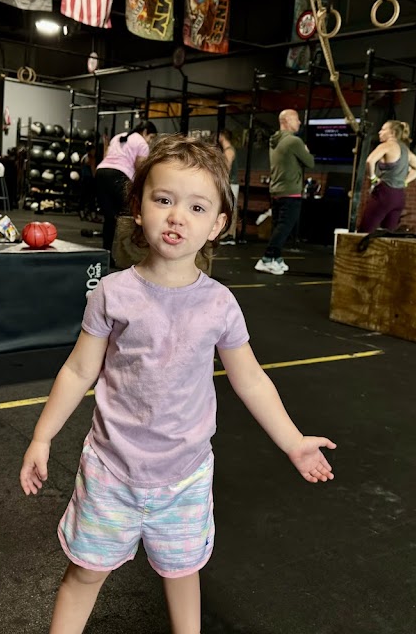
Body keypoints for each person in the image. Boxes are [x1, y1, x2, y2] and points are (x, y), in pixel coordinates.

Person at [20, 136, 336, 634]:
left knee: (182, 572)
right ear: (138, 207)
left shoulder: (219, 304)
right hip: (110, 472)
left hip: (185, 478)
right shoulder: (112, 293)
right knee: (85, 573)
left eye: (196, 207)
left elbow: (250, 379)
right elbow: (79, 370)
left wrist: (294, 442)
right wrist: (42, 437)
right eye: (163, 199)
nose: (176, 217)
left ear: (217, 225)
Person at [255, 109, 313, 276]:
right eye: (296, 119)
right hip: (290, 191)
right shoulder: (294, 141)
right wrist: (306, 151)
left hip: (276, 190)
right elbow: (310, 162)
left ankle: (276, 258)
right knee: (285, 226)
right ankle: (267, 258)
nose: (299, 122)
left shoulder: (275, 140)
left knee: (278, 226)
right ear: (287, 121)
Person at [94, 121, 157, 262]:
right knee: (130, 216)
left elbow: (106, 155)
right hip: (119, 176)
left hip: (101, 173)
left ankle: (107, 254)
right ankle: (129, 256)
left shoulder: (118, 137)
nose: (150, 141)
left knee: (110, 217)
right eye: (151, 137)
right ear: (145, 132)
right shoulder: (141, 143)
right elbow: (140, 168)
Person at [358, 120, 416, 233]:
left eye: (383, 129)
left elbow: (369, 161)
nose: (379, 132)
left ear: (392, 133)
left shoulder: (386, 146)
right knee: (387, 236)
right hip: (399, 197)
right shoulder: (405, 149)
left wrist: (372, 177)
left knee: (364, 232)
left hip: (384, 194)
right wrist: (405, 181)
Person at [217, 128, 239, 245]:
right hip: (231, 183)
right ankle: (229, 235)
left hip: (231, 183)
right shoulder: (227, 150)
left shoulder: (229, 151)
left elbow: (227, 169)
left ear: (222, 136)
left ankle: (230, 236)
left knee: (231, 208)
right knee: (230, 208)